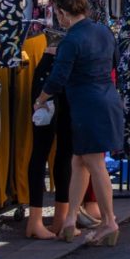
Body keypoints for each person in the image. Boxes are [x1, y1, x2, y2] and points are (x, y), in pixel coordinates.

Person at [33, 0, 124, 248]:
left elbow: (58, 78)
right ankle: (71, 217)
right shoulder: (103, 31)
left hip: (86, 104)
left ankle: (109, 221)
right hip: (107, 99)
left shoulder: (71, 40)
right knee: (78, 161)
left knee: (94, 163)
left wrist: (40, 99)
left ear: (62, 12)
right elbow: (115, 62)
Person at [26, 42, 74, 240]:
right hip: (50, 69)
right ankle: (35, 220)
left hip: (68, 72)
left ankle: (60, 218)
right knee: (42, 149)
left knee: (65, 151)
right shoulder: (67, 18)